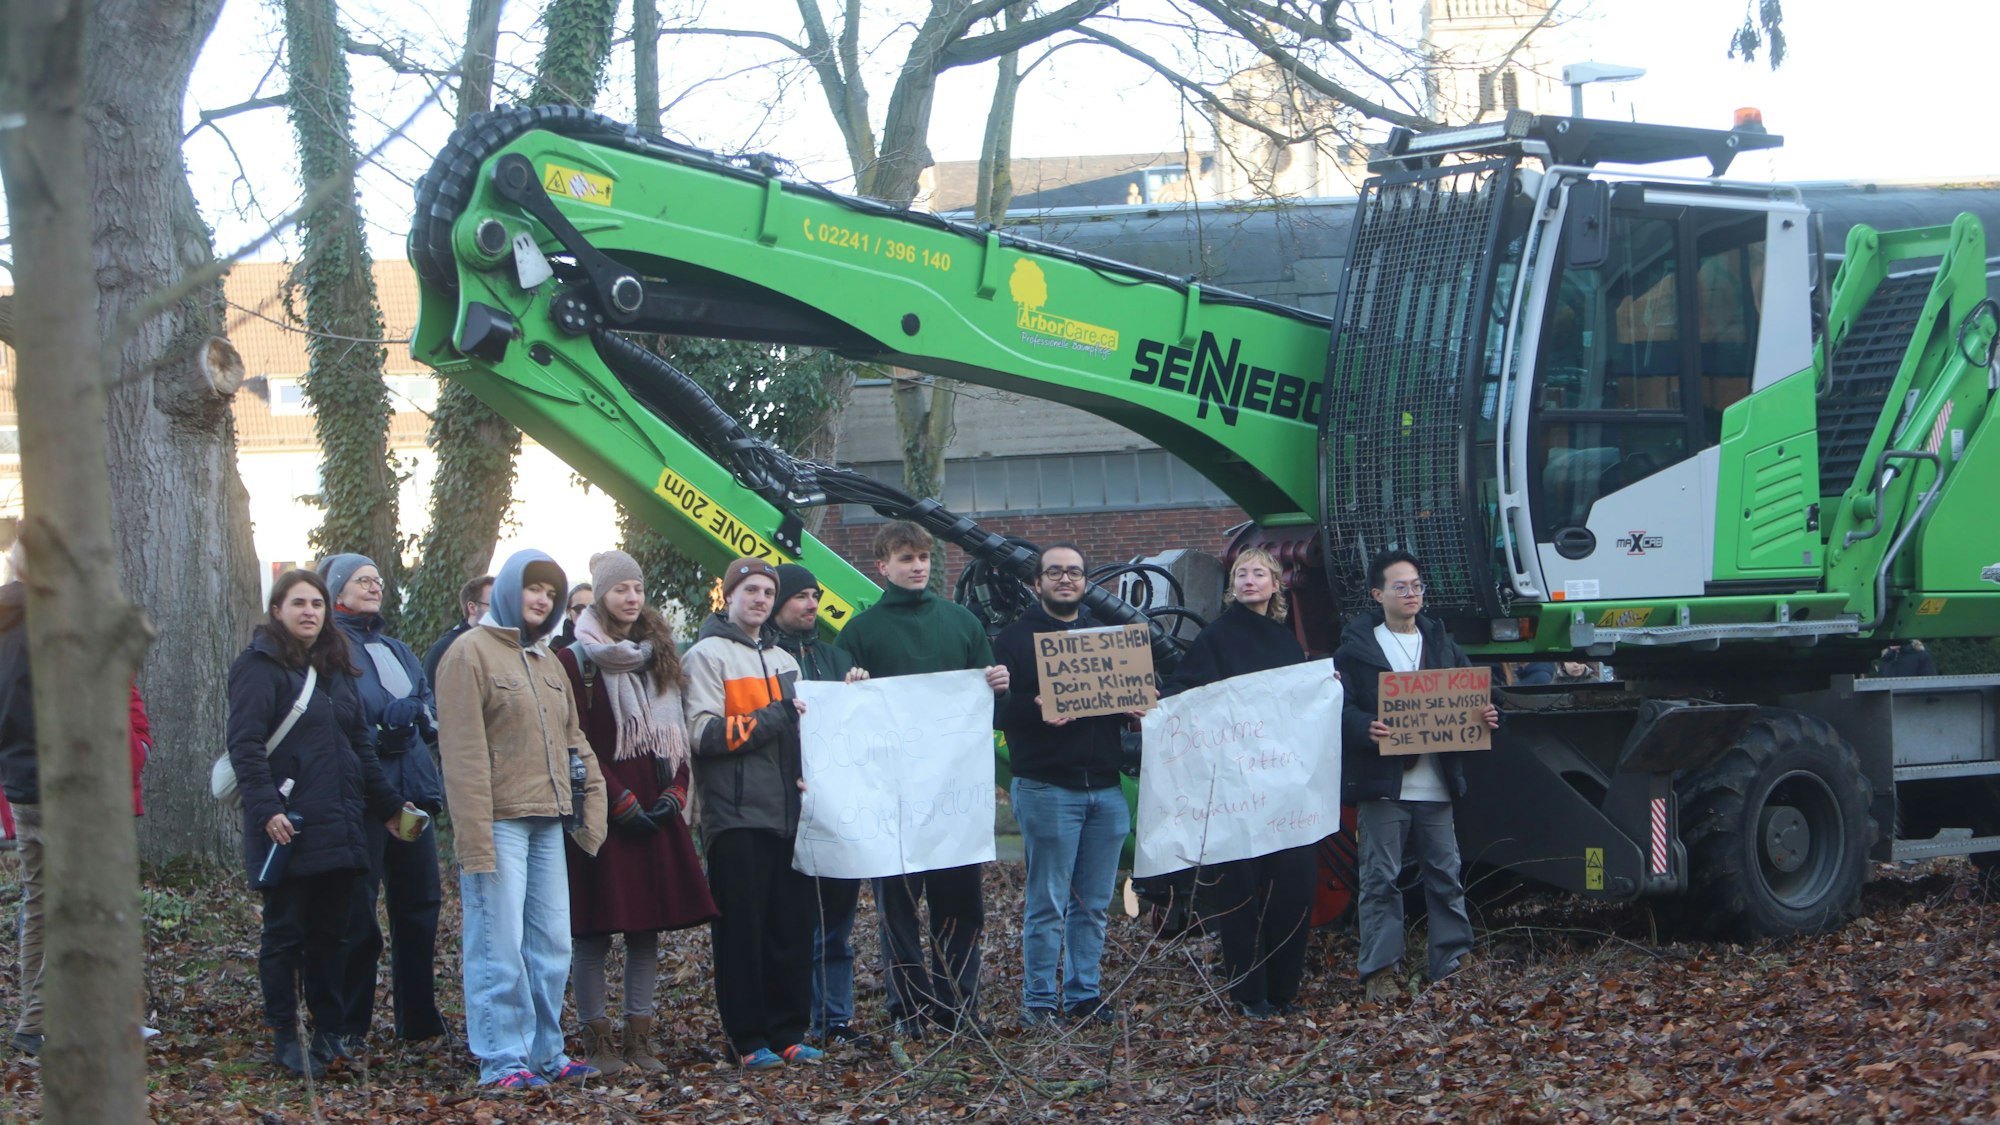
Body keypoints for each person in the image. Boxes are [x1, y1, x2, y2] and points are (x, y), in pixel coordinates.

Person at [436, 549, 607, 1092]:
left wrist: (594, 802)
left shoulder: (548, 661)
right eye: (534, 588)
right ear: (511, 589)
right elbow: (461, 756)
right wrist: (474, 839)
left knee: (552, 944)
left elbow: (573, 739)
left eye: (551, 594)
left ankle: (546, 1053)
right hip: (499, 823)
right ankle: (501, 1059)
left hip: (548, 821)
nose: (543, 599)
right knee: (497, 945)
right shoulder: (469, 655)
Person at [226, 569, 405, 1077]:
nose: (309, 611)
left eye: (317, 604)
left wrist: (390, 806)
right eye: (298, 603)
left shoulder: (336, 669)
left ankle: (329, 1033)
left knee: (334, 934)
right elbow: (245, 746)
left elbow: (361, 748)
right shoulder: (258, 667)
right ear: (277, 610)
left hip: (342, 822)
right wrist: (268, 811)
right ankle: (287, 1036)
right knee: (284, 934)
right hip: (288, 824)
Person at [834, 522, 1010, 1038]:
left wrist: (997, 684)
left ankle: (960, 1007)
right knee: (899, 908)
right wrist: (851, 686)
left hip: (953, 797)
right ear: (882, 566)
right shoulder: (859, 632)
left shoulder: (962, 623)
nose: (917, 567)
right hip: (893, 799)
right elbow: (846, 723)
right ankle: (908, 1009)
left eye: (923, 558)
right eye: (905, 558)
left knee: (960, 906)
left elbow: (988, 711)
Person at [559, 550, 717, 1076]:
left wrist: (676, 791)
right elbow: (573, 737)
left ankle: (639, 1039)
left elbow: (677, 737)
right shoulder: (576, 658)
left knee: (645, 929)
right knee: (595, 932)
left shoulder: (660, 654)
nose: (631, 598)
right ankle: (598, 1042)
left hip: (657, 805)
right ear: (601, 593)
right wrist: (619, 799)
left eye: (637, 589)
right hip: (605, 808)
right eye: (620, 588)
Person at [1, 541, 154, 1057]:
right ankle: (56, 1020)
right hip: (67, 785)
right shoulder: (58, 624)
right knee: (79, 904)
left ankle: (37, 1019)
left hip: (21, 783)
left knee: (41, 902)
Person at [1335, 549, 1498, 1003]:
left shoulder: (1442, 642)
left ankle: (1451, 961)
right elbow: (1337, 707)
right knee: (1379, 879)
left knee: (1446, 874)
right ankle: (1380, 972)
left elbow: (1474, 691)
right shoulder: (1355, 650)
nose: (1412, 594)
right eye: (1401, 587)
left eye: (1417, 586)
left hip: (1437, 782)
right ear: (1378, 594)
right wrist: (1362, 728)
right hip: (1383, 785)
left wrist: (1487, 711)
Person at [1164, 547, 1317, 1019]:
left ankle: (1284, 990)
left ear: (1275, 584)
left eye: (1258, 573)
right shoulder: (1216, 637)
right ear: (1232, 586)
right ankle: (1249, 993)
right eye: (1240, 574)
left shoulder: (1287, 642)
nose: (1249, 580)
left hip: (1283, 787)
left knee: (1290, 889)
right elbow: (1184, 694)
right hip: (1234, 788)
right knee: (1241, 892)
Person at [992, 543, 1137, 1028]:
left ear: (1086, 582)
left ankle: (1083, 995)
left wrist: (1136, 708)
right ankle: (1038, 1000)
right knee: (1047, 903)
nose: (1065, 579)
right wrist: (1032, 707)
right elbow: (992, 710)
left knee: (1094, 905)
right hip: (1047, 787)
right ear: (1037, 584)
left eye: (1074, 572)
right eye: (1054, 572)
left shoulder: (1108, 640)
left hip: (1106, 789)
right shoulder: (1013, 640)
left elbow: (1119, 707)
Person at [683, 557, 819, 1071]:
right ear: (729, 596)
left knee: (790, 930)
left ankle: (789, 1033)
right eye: (751, 590)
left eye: (768, 592)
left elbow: (807, 736)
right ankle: (747, 1039)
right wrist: (774, 716)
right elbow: (702, 734)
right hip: (735, 817)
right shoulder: (705, 656)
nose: (760, 599)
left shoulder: (788, 660)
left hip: (789, 816)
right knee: (742, 934)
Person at [320, 554, 448, 1047]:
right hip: (364, 800)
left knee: (419, 907)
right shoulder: (328, 650)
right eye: (361, 580)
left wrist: (416, 717)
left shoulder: (398, 648)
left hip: (413, 798)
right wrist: (380, 736)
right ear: (338, 591)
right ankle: (349, 1026)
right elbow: (334, 722)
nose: (374, 587)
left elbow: (429, 709)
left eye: (377, 579)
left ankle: (418, 1022)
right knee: (357, 914)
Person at [765, 563, 875, 1047]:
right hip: (784, 809)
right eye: (800, 596)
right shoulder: (761, 659)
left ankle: (836, 1019)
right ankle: (792, 1022)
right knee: (792, 923)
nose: (811, 604)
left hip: (837, 808)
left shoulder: (838, 657)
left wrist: (860, 690)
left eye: (815, 595)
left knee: (836, 924)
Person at [423, 575, 492, 687]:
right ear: (472, 607)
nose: (499, 610)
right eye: (493, 604)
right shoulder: (444, 648)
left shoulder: (505, 645)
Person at [552, 582, 594, 651]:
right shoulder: (556, 648)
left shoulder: (611, 644)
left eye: (593, 608)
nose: (586, 614)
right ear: (568, 611)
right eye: (579, 609)